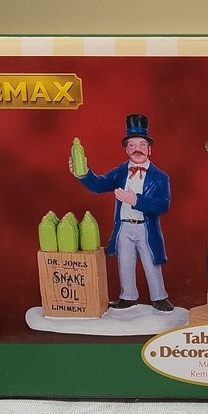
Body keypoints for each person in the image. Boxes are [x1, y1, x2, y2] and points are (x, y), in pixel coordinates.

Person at [70, 114, 173, 311]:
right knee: (124, 263)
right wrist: (83, 174)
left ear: (149, 149)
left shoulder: (160, 177)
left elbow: (163, 205)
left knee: (151, 262)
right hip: (124, 227)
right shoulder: (121, 171)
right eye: (132, 145)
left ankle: (159, 297)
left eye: (142, 144)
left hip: (146, 229)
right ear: (126, 149)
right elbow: (99, 185)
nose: (137, 149)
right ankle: (128, 296)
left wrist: (136, 201)